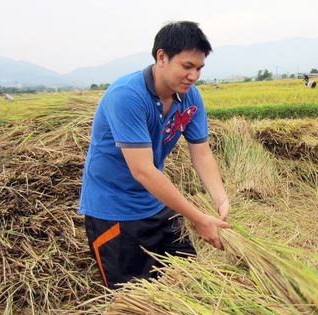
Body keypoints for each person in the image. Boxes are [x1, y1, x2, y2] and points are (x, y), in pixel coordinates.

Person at [78, 21, 232, 289]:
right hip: (116, 213)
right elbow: (143, 171)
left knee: (187, 284)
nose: (194, 76)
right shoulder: (127, 96)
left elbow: (202, 155)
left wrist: (221, 199)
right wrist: (198, 219)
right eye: (187, 66)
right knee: (132, 297)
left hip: (158, 204)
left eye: (199, 68)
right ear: (161, 57)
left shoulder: (190, 97)